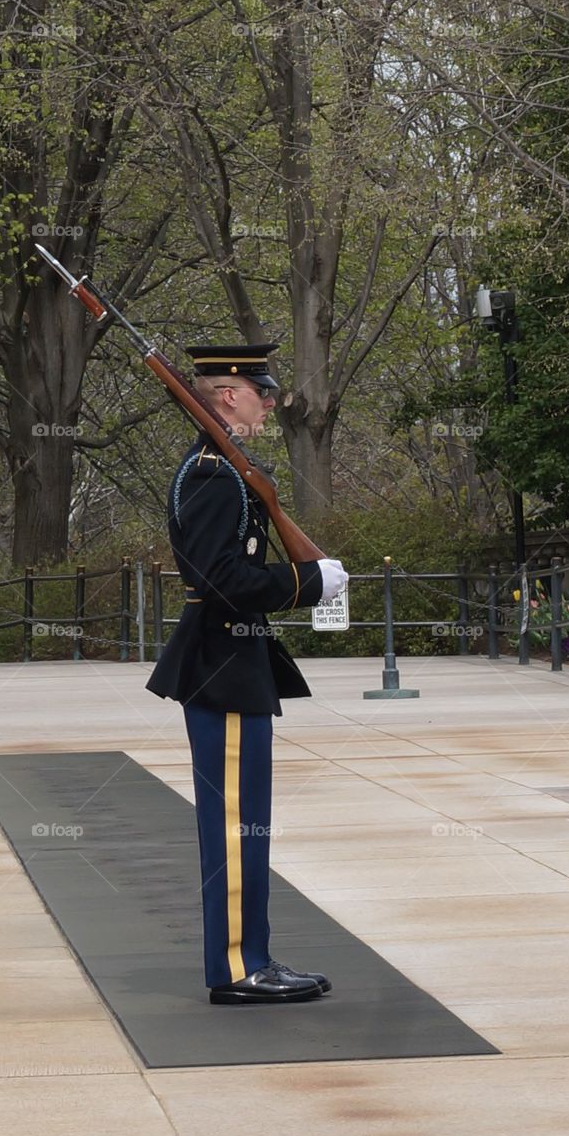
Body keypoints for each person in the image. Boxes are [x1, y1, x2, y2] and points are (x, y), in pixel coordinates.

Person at [147, 343, 349, 1005]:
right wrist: (307, 583)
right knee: (237, 824)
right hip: (222, 664)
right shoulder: (211, 475)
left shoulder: (225, 471)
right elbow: (219, 578)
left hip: (234, 662)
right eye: (261, 390)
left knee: (246, 822)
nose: (269, 401)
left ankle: (250, 955)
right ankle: (239, 967)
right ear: (227, 393)